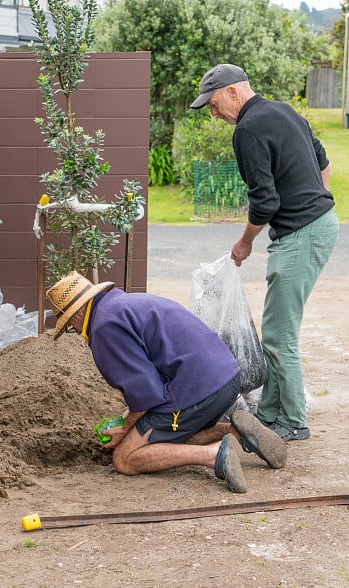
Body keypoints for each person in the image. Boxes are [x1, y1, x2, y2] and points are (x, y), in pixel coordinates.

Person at [190, 63, 339, 442]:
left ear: (234, 92)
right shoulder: (284, 111)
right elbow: (323, 163)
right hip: (320, 225)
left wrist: (244, 243)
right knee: (277, 330)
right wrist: (314, 201)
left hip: (301, 235)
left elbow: (265, 202)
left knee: (278, 335)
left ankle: (293, 421)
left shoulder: (248, 130)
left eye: (213, 102)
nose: (213, 111)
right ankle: (271, 412)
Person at [46, 271, 287, 493]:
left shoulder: (103, 327)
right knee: (166, 439)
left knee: (125, 458)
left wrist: (125, 429)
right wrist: (133, 414)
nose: (76, 331)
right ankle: (235, 431)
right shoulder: (123, 304)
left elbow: (146, 391)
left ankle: (214, 455)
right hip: (226, 378)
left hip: (196, 391)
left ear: (78, 312)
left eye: (70, 325)